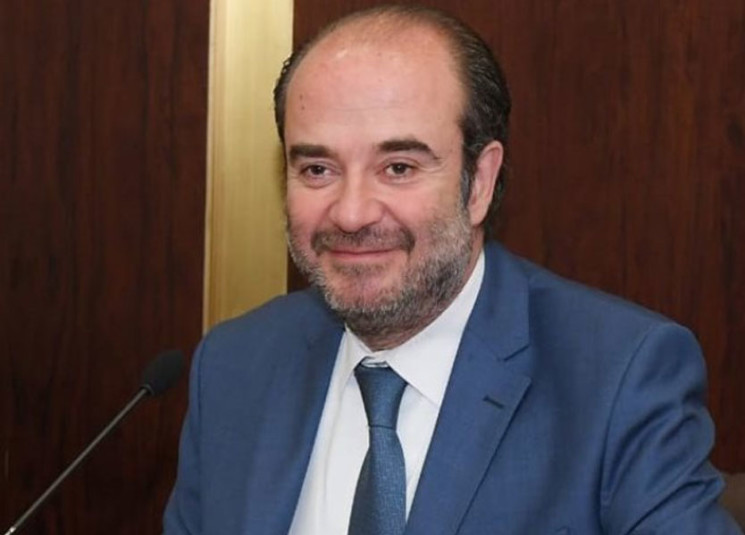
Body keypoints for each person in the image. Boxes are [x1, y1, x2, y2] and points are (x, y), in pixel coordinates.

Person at [164, 5, 742, 534]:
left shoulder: (618, 378)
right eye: (318, 169)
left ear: (479, 183)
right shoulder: (234, 367)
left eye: (398, 167)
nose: (351, 213)